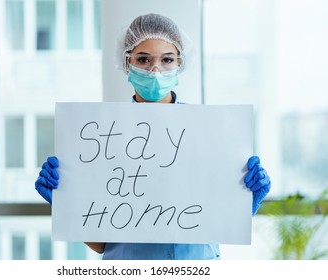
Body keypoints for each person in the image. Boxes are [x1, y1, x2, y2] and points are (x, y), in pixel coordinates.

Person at [35, 13, 271, 260]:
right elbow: (101, 244)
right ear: (127, 64)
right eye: (144, 59)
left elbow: (218, 222)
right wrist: (65, 203)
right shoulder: (99, 136)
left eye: (167, 59)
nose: (155, 70)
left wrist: (245, 202)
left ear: (180, 63)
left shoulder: (212, 133)